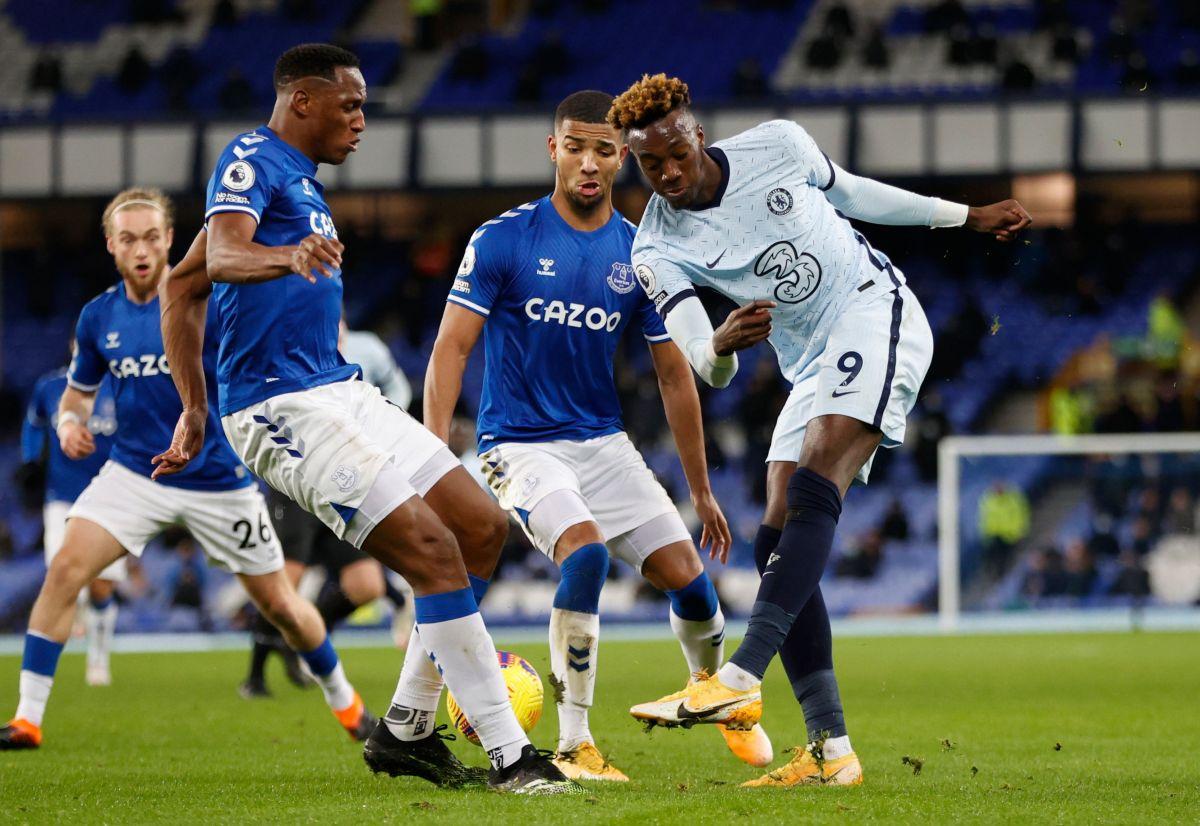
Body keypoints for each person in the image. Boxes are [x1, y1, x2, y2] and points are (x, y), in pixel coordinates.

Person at [152, 44, 578, 794]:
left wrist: (191, 405)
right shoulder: (251, 156)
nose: (360, 122)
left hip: (341, 391)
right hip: (278, 405)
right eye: (350, 105)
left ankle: (408, 732)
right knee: (430, 548)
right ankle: (515, 760)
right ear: (304, 101)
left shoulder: (304, 187)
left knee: (479, 527)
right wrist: (285, 261)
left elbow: (180, 287)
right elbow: (220, 254)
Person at [609, 73, 1031, 787]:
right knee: (775, 533)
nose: (670, 173)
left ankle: (741, 673)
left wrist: (967, 216)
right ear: (637, 165)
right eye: (652, 166)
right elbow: (705, 368)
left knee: (815, 481)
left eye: (677, 152)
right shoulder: (653, 248)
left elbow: (856, 194)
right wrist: (720, 345)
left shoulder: (777, 145)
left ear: (697, 134)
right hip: (808, 364)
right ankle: (831, 752)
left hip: (873, 309)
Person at [425, 90, 771, 780]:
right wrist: (435, 462)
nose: (589, 162)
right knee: (583, 557)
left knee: (693, 587)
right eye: (575, 146)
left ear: (623, 160)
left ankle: (722, 699)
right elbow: (449, 352)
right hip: (517, 444)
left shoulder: (640, 255)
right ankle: (575, 743)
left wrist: (700, 490)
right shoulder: (503, 238)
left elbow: (675, 375)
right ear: (554, 149)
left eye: (604, 150)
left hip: (603, 446)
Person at [1, 188, 372, 751]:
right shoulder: (98, 317)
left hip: (219, 481)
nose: (142, 248)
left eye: (152, 236)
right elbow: (76, 396)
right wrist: (69, 425)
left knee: (281, 606)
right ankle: (27, 720)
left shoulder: (212, 302)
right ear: (111, 246)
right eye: (129, 239)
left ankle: (346, 702)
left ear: (171, 239)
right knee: (64, 570)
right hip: (135, 474)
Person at [240, 317, 414, 698]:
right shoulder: (289, 350)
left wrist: (386, 421)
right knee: (286, 582)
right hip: (295, 480)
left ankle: (305, 638)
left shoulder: (367, 347)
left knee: (365, 584)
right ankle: (254, 675)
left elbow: (398, 386)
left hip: (344, 482)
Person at [21, 361, 120, 685]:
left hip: (110, 492)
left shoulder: (120, 384)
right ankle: (71, 614)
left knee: (101, 586)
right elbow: (33, 422)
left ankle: (98, 654)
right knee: (60, 570)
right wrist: (31, 458)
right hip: (61, 495)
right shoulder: (50, 386)